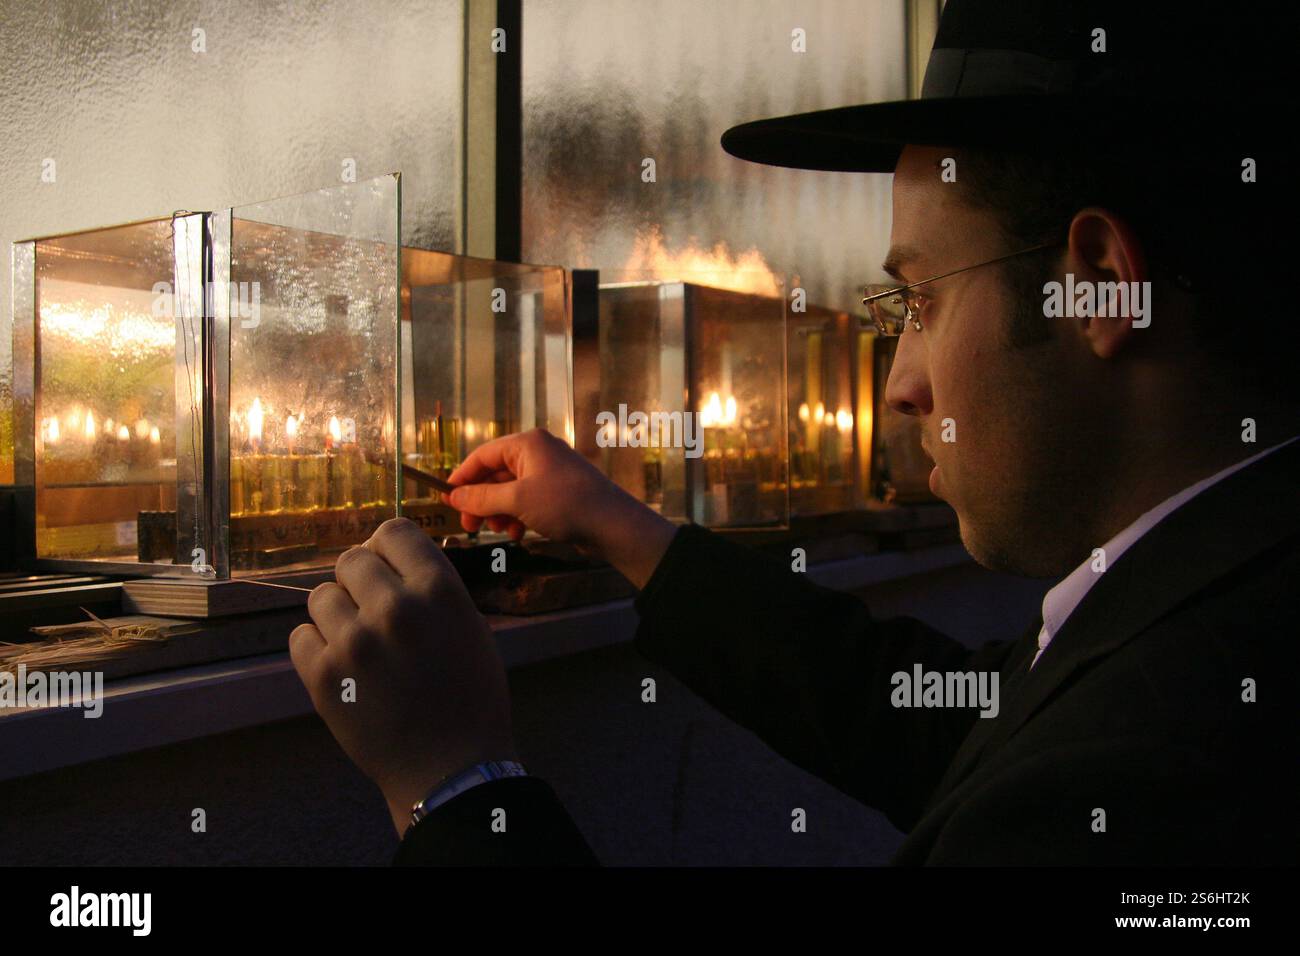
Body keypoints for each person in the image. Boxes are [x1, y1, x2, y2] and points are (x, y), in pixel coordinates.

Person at [288, 0, 1299, 865]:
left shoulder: (1149, 768)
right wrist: (618, 526)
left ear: (1097, 285)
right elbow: (936, 718)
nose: (898, 383)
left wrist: (457, 779)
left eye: (920, 299)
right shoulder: (1203, 596)